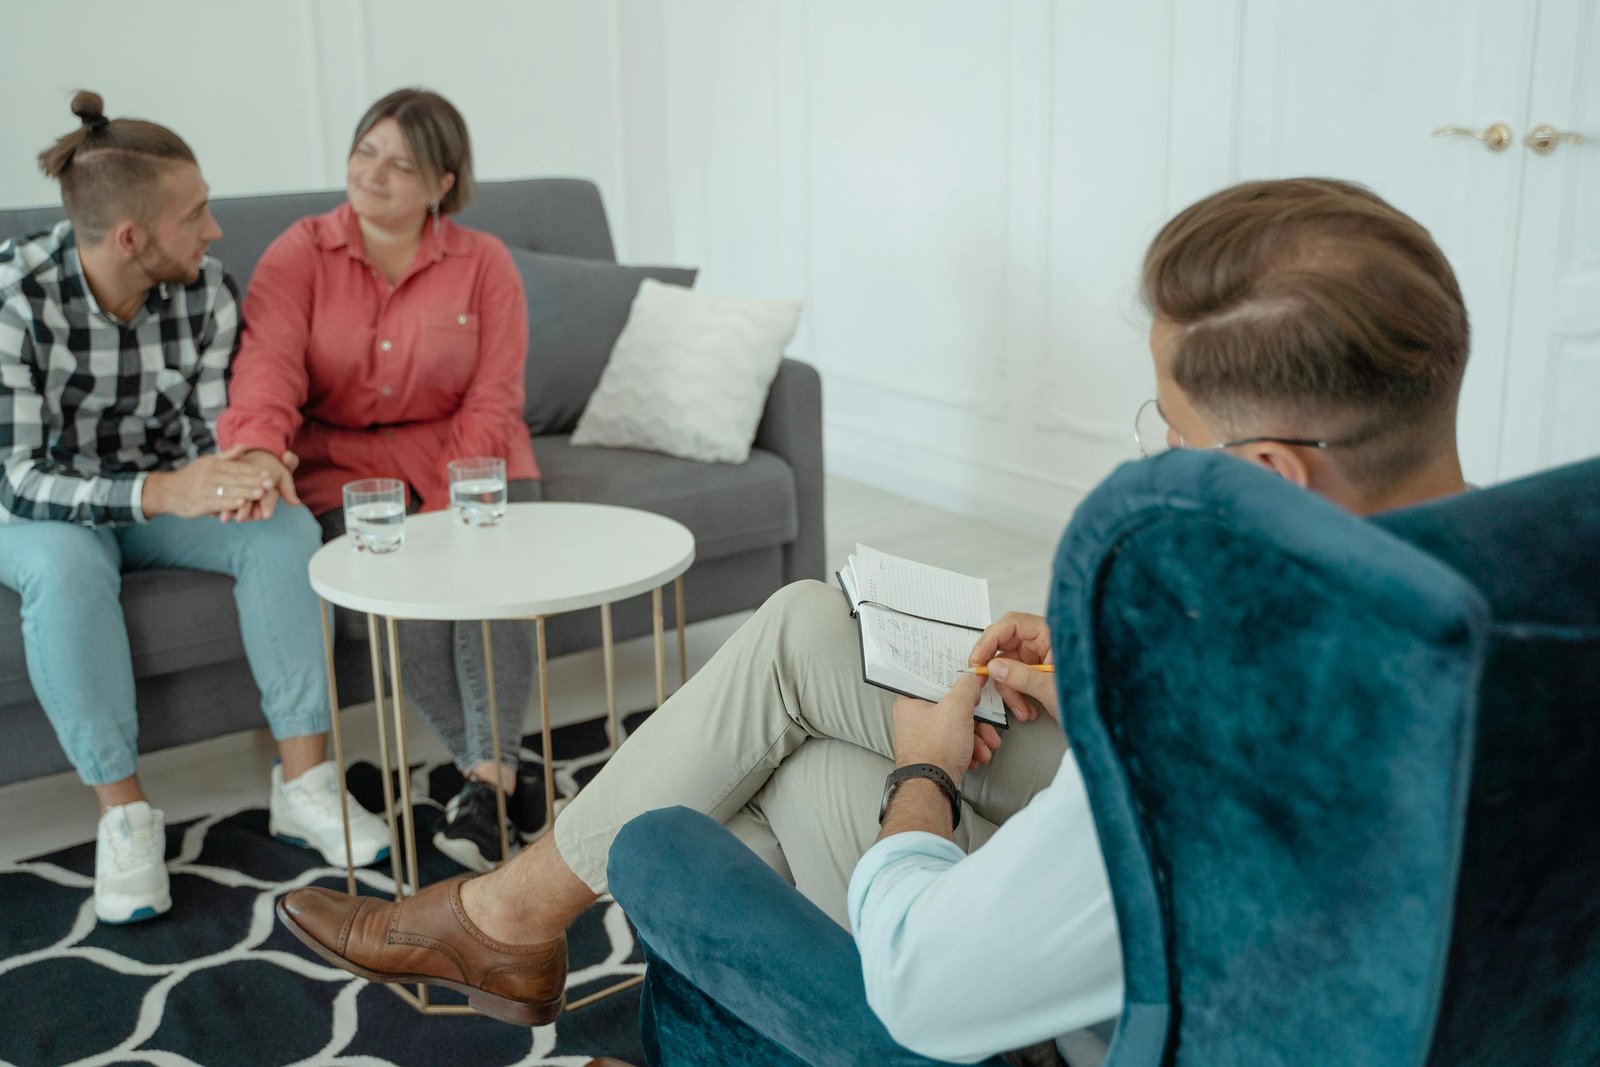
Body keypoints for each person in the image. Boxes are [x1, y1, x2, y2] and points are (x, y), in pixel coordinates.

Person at [278, 177, 1472, 1059]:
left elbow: (927, 988)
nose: (1153, 455)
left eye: (1165, 429)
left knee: (750, 801)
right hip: (1245, 934)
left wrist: (925, 781)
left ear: (1268, 469)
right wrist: (1100, 677)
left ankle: (526, 933)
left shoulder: (1206, 744)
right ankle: (509, 919)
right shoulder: (1489, 599)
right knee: (803, 629)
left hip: (1102, 1018)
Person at [0, 92, 391, 926]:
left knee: (283, 526)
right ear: (130, 236)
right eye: (196, 213)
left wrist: (249, 462)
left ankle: (306, 781)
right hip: (46, 512)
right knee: (68, 569)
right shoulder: (15, 298)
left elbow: (217, 424)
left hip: (162, 494)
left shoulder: (204, 287)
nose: (215, 230)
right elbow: (17, 479)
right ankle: (125, 817)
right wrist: (159, 491)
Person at [216, 89, 541, 872]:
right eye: (366, 151)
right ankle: (496, 778)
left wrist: (449, 494)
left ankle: (485, 781)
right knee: (411, 594)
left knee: (488, 579)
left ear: (443, 182)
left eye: (403, 163)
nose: (375, 174)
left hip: (472, 455)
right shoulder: (300, 252)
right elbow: (266, 371)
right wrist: (258, 453)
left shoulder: (484, 262)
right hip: (347, 469)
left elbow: (494, 394)